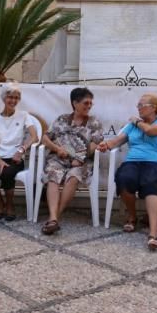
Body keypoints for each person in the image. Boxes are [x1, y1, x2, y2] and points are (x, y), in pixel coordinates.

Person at [97, 93, 157, 251]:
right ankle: (132, 216)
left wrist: (136, 121)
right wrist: (106, 145)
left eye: (141, 105)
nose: (138, 108)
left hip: (155, 162)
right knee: (124, 179)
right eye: (138, 106)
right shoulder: (131, 126)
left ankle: (153, 232)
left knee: (151, 183)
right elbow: (118, 140)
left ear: (154, 108)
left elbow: (150, 131)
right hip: (133, 161)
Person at [39, 87, 103, 235]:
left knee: (73, 177)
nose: (89, 106)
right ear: (75, 103)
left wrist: (80, 158)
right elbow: (45, 137)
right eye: (85, 103)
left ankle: (53, 218)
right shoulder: (61, 119)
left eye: (90, 103)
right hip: (58, 158)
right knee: (53, 176)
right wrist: (56, 149)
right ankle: (54, 218)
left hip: (82, 161)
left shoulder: (94, 122)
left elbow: (95, 144)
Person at [0, 86, 38, 221]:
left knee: (7, 173)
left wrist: (21, 150)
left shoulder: (24, 116)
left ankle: (10, 204)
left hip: (15, 156)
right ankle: (0, 203)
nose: (13, 100)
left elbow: (34, 136)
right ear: (4, 98)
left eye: (16, 98)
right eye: (10, 97)